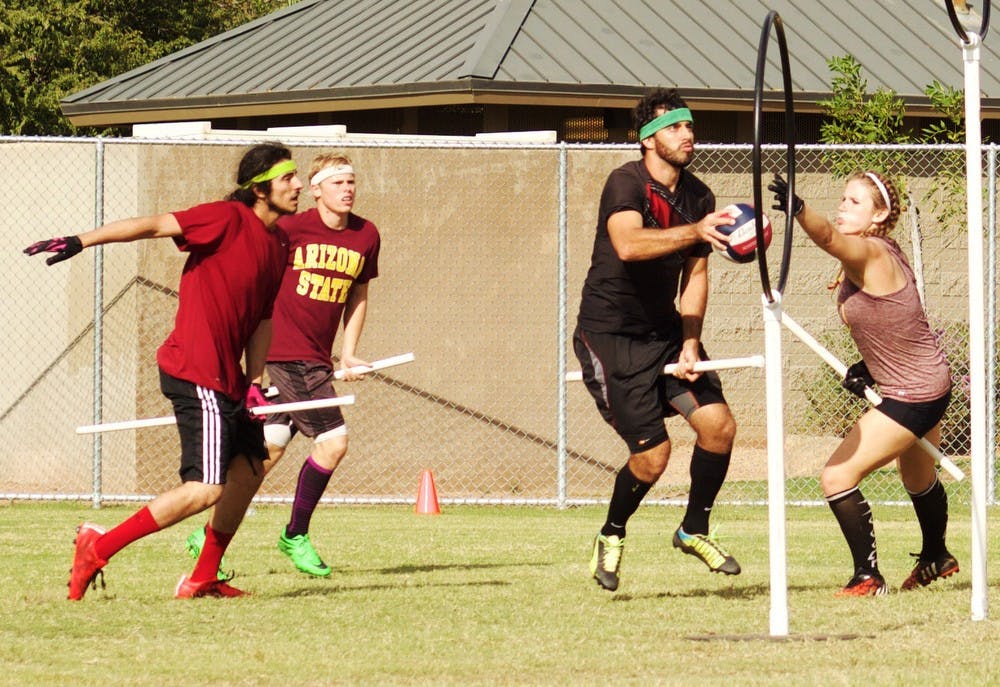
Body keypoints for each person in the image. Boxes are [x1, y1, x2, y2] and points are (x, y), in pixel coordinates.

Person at [24, 142, 303, 600]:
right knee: (204, 489)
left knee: (249, 470)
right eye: (288, 176)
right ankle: (99, 546)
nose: (297, 185)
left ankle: (202, 578)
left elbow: (264, 318)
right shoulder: (225, 218)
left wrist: (255, 380)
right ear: (259, 188)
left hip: (229, 379)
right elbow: (152, 225)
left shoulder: (279, 243)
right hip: (196, 370)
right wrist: (81, 240)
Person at [574, 88, 744, 593]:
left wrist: (691, 341)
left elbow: (695, 276)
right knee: (653, 456)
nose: (687, 135)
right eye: (673, 127)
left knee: (719, 427)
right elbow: (628, 244)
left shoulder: (700, 197)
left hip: (665, 333)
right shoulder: (625, 181)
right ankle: (611, 534)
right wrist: (695, 231)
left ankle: (694, 529)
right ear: (646, 138)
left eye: (689, 126)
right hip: (610, 334)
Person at [185, 152, 380, 578]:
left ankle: (209, 533)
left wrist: (347, 353)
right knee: (333, 442)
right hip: (287, 354)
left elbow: (358, 295)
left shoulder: (366, 235)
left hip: (317, 358)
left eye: (351, 182)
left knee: (264, 450)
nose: (347, 189)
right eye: (336, 183)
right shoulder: (290, 228)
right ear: (315, 190)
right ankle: (295, 533)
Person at [770, 171, 958, 596]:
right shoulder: (873, 254)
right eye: (842, 199)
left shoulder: (871, 251)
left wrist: (800, 211)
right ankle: (937, 557)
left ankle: (868, 577)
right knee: (917, 477)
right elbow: (894, 324)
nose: (842, 207)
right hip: (922, 380)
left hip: (915, 391)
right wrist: (868, 366)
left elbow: (829, 240)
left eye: (855, 202)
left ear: (879, 215)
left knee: (837, 476)